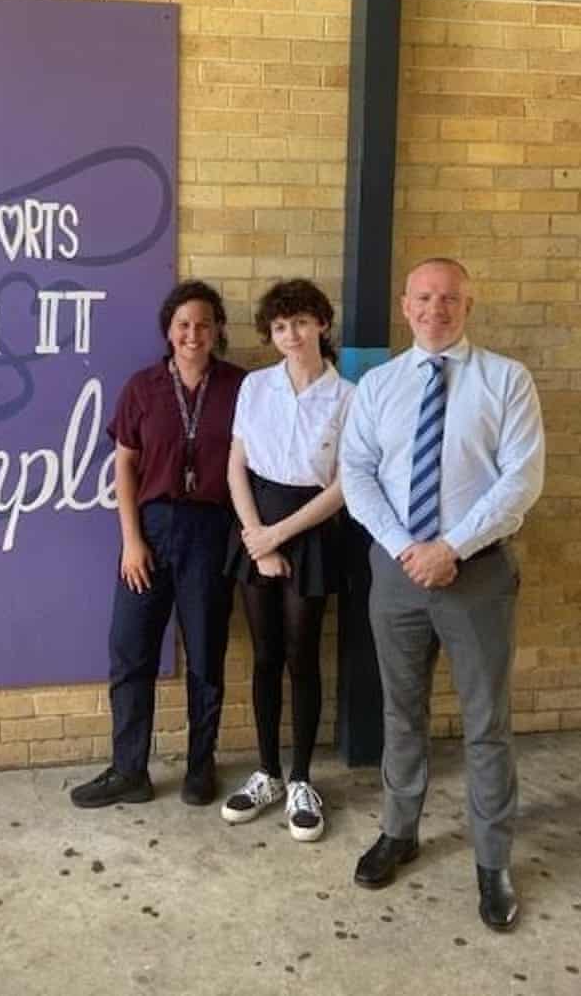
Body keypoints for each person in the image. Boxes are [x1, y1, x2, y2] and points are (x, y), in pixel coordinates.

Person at [340, 257, 545, 932]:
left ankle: (492, 861)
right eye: (424, 297)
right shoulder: (378, 386)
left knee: (487, 724)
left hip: (477, 572)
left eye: (449, 297)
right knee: (403, 714)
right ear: (405, 306)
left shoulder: (506, 381)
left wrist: (450, 547)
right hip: (397, 572)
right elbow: (358, 473)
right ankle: (400, 831)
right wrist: (409, 549)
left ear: (469, 303)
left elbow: (521, 480)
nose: (436, 308)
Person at [70, 280, 244, 809]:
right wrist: (131, 540)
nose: (193, 334)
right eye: (183, 325)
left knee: (206, 657)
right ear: (169, 332)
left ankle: (199, 767)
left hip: (212, 531)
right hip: (150, 530)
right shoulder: (142, 387)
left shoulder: (242, 387)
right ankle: (129, 771)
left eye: (204, 324)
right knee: (130, 652)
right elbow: (124, 462)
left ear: (217, 331)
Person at [220, 279, 353, 840]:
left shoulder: (347, 397)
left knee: (304, 656)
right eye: (278, 327)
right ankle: (267, 771)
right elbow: (236, 466)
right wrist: (257, 537)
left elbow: (345, 486)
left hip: (311, 528)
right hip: (256, 525)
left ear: (321, 323)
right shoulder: (255, 387)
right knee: (266, 655)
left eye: (299, 322)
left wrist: (279, 536)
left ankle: (302, 777)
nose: (290, 335)